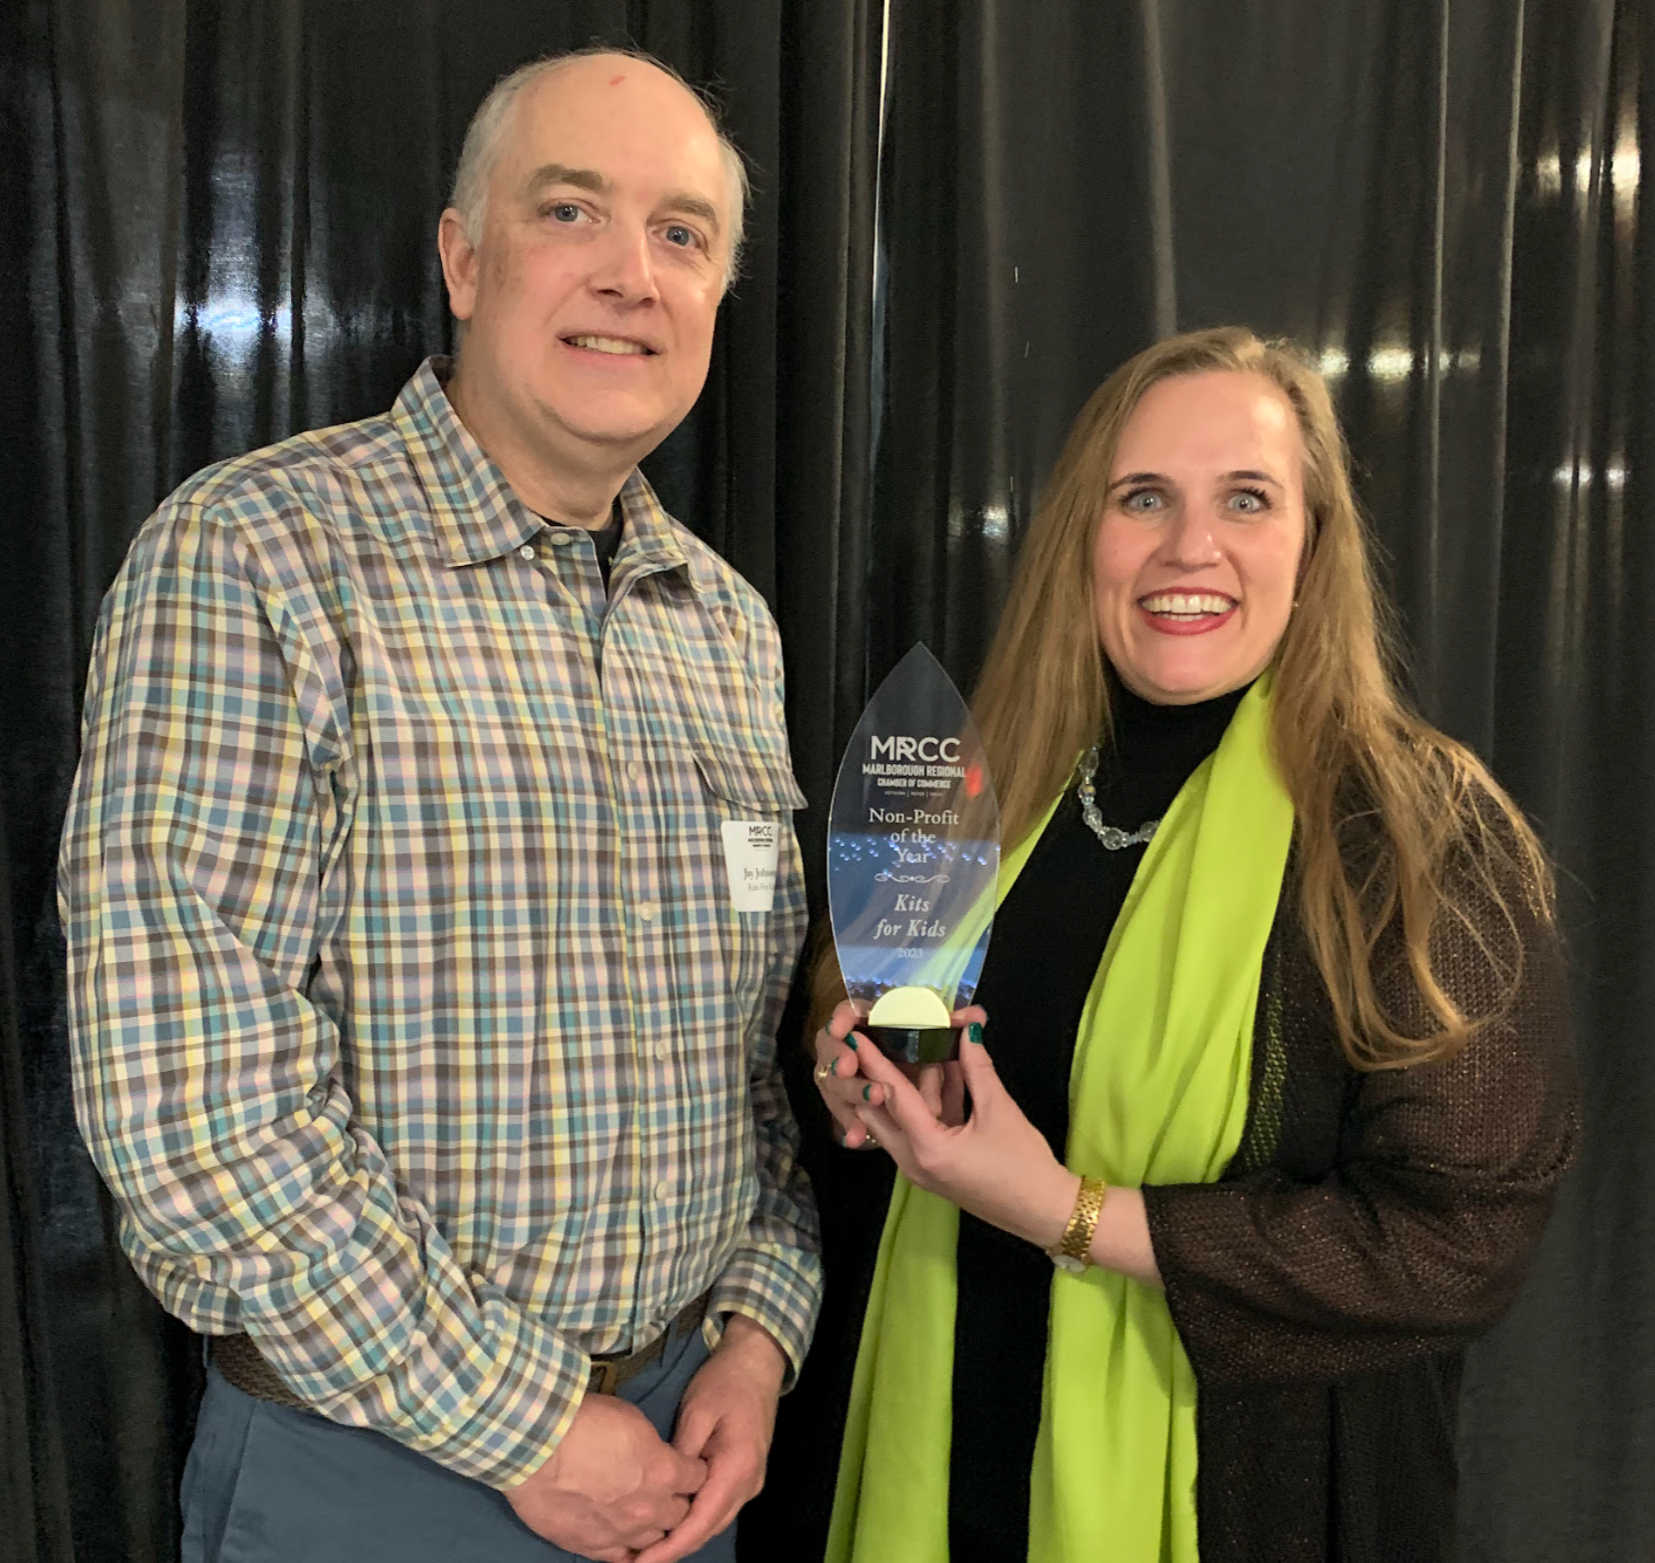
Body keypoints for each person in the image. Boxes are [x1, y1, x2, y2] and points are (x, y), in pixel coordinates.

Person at [59, 48, 820, 1563]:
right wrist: (525, 1422)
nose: (629, 273)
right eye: (569, 211)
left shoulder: (726, 626)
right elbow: (191, 1107)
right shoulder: (259, 559)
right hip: (368, 1469)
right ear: (463, 259)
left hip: (678, 1455)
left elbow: (746, 1069)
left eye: (681, 234)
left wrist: (755, 1329)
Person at [808, 326, 1578, 1563]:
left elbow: (1451, 1250)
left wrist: (1065, 1212)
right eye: (1143, 498)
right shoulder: (990, 784)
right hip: (953, 1463)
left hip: (1246, 1506)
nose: (1188, 547)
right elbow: (883, 1045)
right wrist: (866, 1082)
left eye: (1246, 500)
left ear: (1311, 546)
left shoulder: (1417, 837)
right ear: (1084, 535)